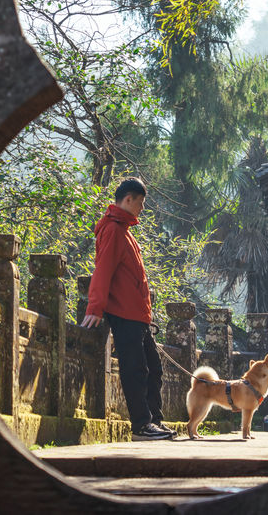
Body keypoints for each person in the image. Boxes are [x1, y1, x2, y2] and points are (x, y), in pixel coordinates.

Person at [80, 177, 175, 441]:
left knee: (154, 368)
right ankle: (141, 426)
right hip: (124, 314)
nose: (142, 208)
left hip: (139, 316)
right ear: (129, 199)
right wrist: (95, 308)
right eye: (141, 203)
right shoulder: (112, 229)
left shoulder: (125, 232)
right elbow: (103, 270)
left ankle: (154, 420)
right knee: (135, 368)